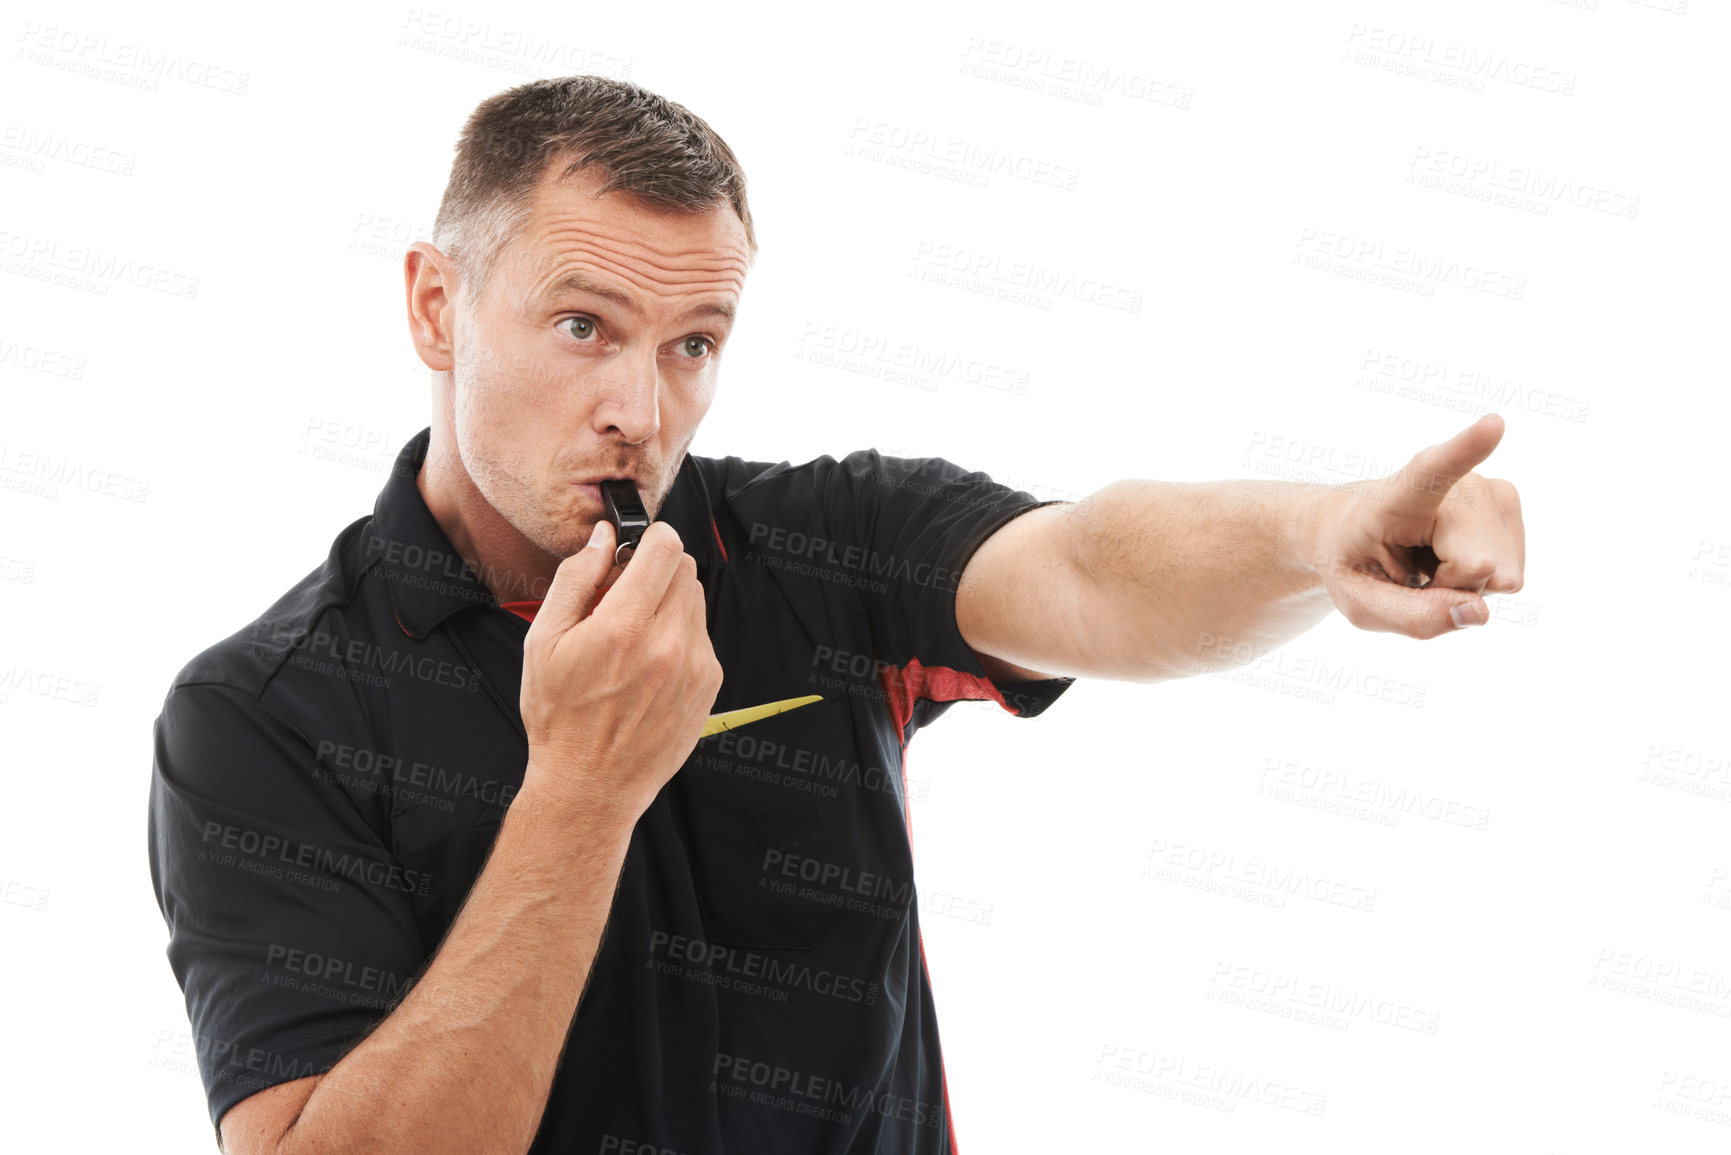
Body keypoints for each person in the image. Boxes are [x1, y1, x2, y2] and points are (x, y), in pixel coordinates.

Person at [147, 76, 1525, 1155]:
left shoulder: (808, 546)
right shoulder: (260, 718)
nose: (644, 408)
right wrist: (580, 793)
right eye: (583, 325)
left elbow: (1095, 567)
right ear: (438, 307)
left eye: (694, 342)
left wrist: (1318, 531)